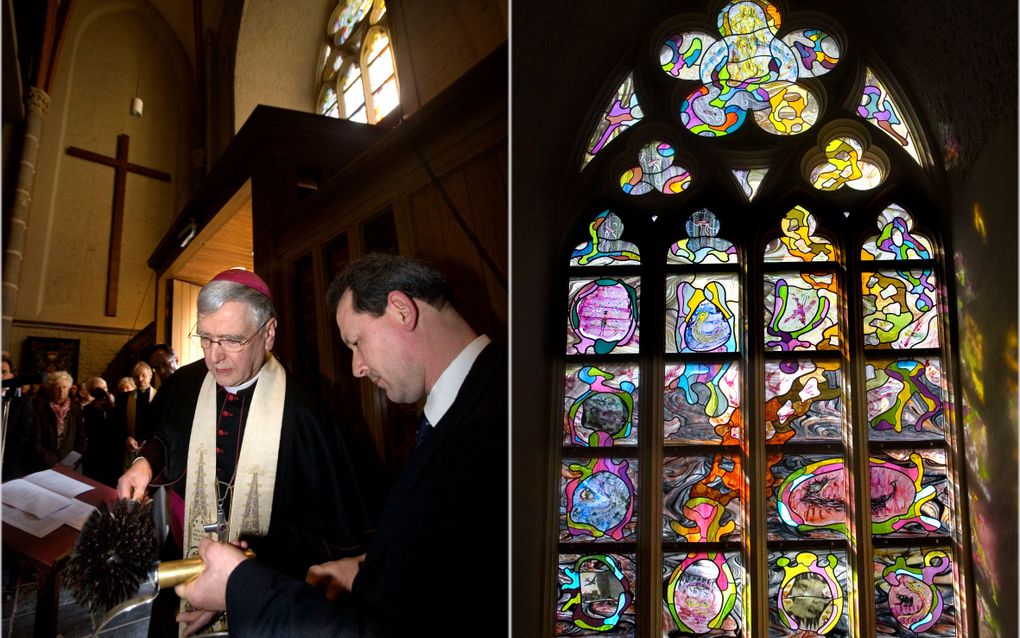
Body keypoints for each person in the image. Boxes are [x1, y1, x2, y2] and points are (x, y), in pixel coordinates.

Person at [176, 254, 507, 636]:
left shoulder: (500, 427)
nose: (357, 367)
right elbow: (442, 563)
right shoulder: (472, 400)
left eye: (357, 342)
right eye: (207, 339)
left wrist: (241, 589)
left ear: (401, 311)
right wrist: (365, 572)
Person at [117, 267, 372, 637]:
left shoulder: (305, 413)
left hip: (267, 577)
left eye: (231, 341)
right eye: (205, 339)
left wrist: (239, 583)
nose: (214, 358)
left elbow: (324, 532)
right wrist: (145, 463)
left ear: (268, 333)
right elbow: (167, 434)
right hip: (183, 557)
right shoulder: (185, 382)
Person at [33, 370, 85, 471]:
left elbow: (81, 440)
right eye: (57, 388)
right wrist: (54, 462)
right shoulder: (40, 409)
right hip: (46, 464)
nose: (61, 391)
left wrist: (74, 463)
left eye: (64, 387)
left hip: (70, 465)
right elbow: (35, 442)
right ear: (51, 389)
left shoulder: (75, 409)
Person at [2, 354, 36, 481]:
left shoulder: (22, 401)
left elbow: (24, 434)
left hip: (8, 463)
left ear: (11, 376)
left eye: (3, 372)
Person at [81, 376, 120, 487]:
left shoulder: (115, 405)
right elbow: (90, 431)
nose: (103, 392)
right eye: (99, 389)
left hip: (113, 454)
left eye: (104, 388)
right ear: (91, 392)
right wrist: (97, 410)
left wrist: (110, 405)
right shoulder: (88, 409)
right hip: (96, 454)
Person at [121, 361, 157, 462]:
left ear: (150, 376)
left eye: (143, 375)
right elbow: (119, 423)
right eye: (136, 376)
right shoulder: (125, 398)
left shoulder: (159, 396)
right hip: (131, 445)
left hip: (151, 445)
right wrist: (127, 438)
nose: (140, 379)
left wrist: (150, 440)